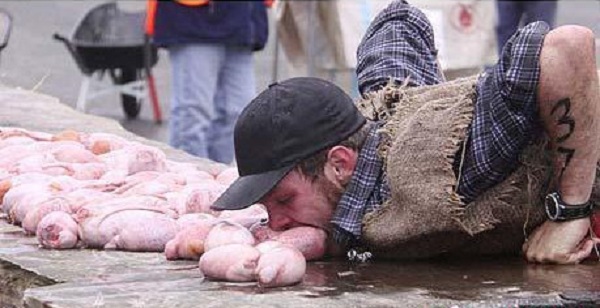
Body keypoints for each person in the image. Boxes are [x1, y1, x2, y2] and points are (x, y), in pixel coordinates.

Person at [212, 0, 600, 264]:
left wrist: (569, 211)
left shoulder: (449, 165)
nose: (275, 222)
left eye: (283, 200)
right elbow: (398, 19)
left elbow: (569, 46)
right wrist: (423, 94)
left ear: (340, 163)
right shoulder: (380, 115)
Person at [147, 0, 271, 163]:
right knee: (193, 115)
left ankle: (214, 178)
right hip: (193, 20)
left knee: (238, 114)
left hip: (241, 22)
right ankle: (188, 180)